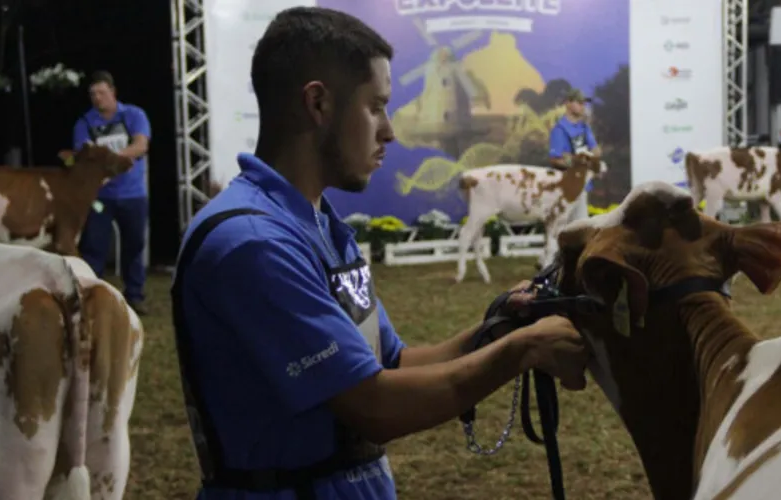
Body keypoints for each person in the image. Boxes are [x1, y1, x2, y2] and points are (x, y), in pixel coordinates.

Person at [170, 7, 590, 500]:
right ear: (318, 104)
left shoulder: (320, 227)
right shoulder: (251, 244)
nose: (389, 130)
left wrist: (501, 324)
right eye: (376, 106)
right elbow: (375, 407)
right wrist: (522, 351)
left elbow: (395, 364)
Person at [73, 70, 153, 313]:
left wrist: (111, 159)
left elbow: (141, 145)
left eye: (101, 92)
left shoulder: (133, 115)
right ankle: (90, 295)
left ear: (113, 92)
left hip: (133, 194)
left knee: (134, 245)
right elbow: (82, 156)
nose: (97, 98)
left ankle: (134, 295)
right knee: (94, 246)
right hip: (100, 198)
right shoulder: (85, 123)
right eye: (93, 94)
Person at [549, 88, 601, 224]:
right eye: (579, 103)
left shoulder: (584, 127)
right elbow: (555, 159)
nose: (583, 106)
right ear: (568, 103)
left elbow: (596, 150)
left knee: (581, 225)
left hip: (582, 186)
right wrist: (578, 161)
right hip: (567, 188)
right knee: (569, 227)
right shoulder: (559, 129)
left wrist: (584, 158)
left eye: (584, 103)